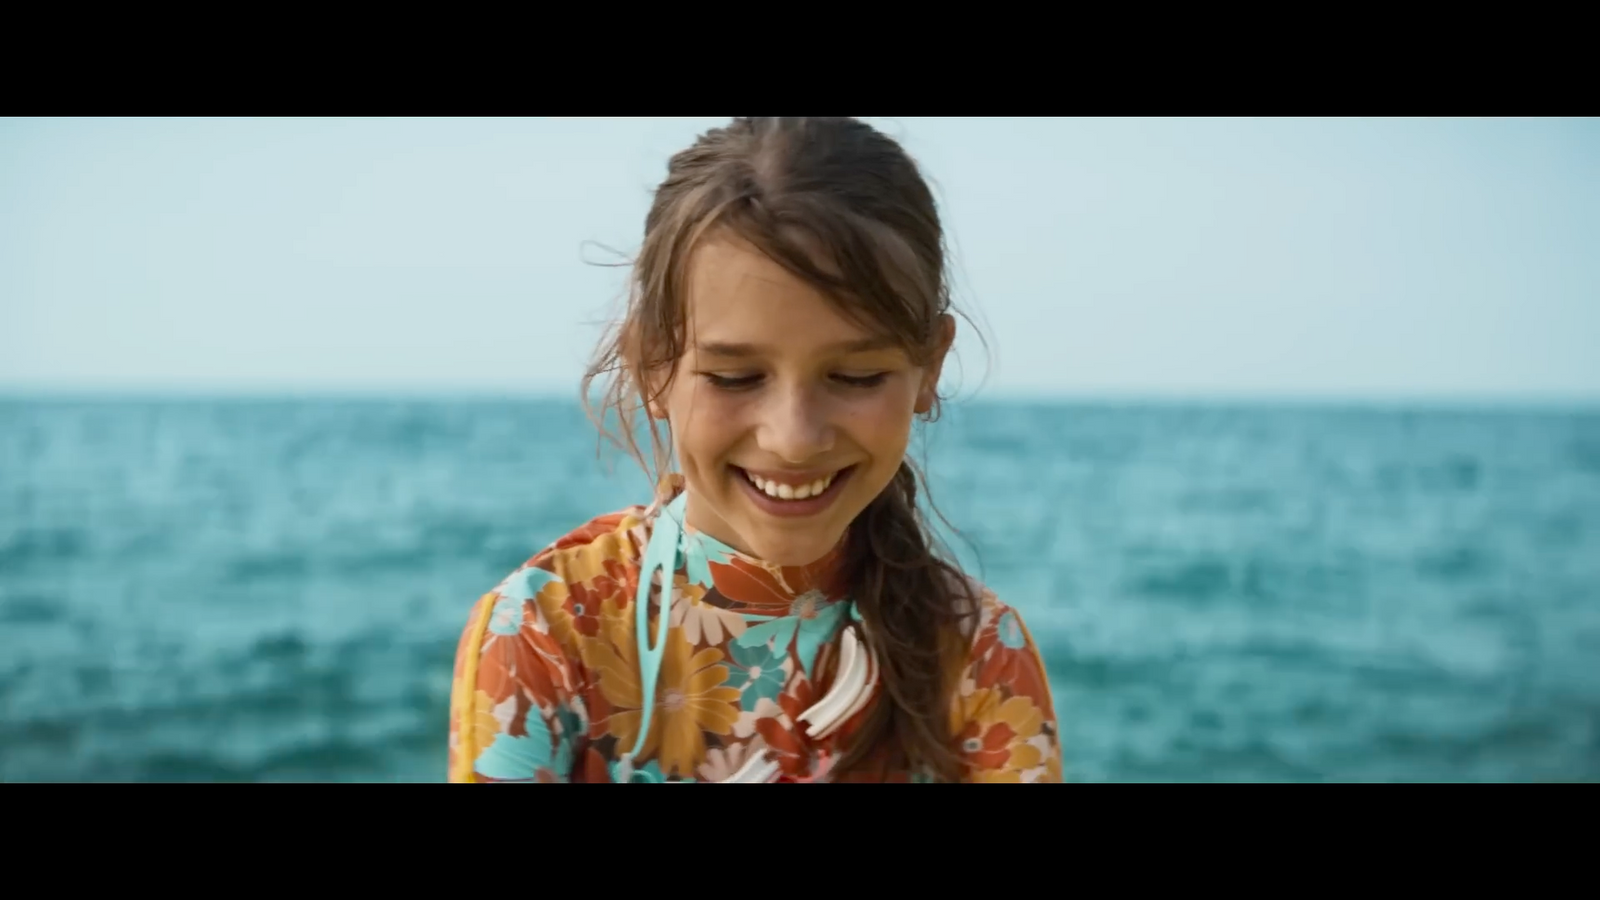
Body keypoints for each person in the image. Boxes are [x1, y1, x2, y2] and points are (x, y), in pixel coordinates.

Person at [447, 117, 1063, 783]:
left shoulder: (976, 654)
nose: (793, 438)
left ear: (930, 367)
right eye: (735, 377)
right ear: (653, 366)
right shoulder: (546, 631)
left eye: (856, 377)